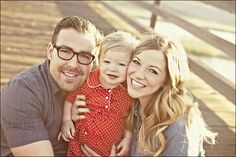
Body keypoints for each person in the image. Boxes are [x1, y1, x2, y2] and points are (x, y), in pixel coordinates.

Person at [76, 33, 217, 156]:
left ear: (167, 81)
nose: (138, 74)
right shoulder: (131, 102)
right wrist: (76, 113)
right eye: (136, 62)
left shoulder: (179, 128)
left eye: (153, 71)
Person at [1, 16, 102, 156]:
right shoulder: (22, 92)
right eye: (65, 51)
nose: (73, 64)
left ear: (94, 61)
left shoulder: (97, 90)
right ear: (50, 51)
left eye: (84, 56)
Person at [59, 31, 139, 156]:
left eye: (121, 64)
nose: (113, 68)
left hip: (110, 152)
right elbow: (70, 98)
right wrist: (67, 121)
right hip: (79, 148)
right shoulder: (89, 81)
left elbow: (129, 119)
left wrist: (127, 139)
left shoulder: (128, 91)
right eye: (107, 62)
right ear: (99, 60)